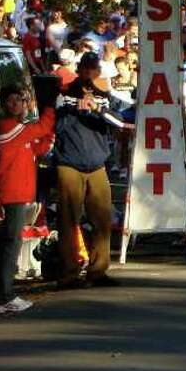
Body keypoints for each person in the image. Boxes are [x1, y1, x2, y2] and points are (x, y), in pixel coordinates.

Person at [54, 53, 126, 287]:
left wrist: (98, 109)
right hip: (69, 163)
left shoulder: (105, 96)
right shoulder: (64, 93)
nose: (90, 75)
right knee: (68, 220)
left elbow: (119, 121)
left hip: (97, 164)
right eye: (86, 70)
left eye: (94, 70)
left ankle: (98, 270)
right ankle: (69, 273)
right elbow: (55, 121)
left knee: (102, 219)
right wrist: (75, 107)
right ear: (80, 70)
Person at [0, 85, 55, 312]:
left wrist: (48, 133)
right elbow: (41, 129)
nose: (15, 104)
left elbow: (37, 147)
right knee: (11, 242)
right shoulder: (7, 126)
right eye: (11, 100)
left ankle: (5, 295)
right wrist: (50, 108)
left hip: (19, 192)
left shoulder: (19, 129)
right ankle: (4, 297)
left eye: (19, 100)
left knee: (12, 241)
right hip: (12, 192)